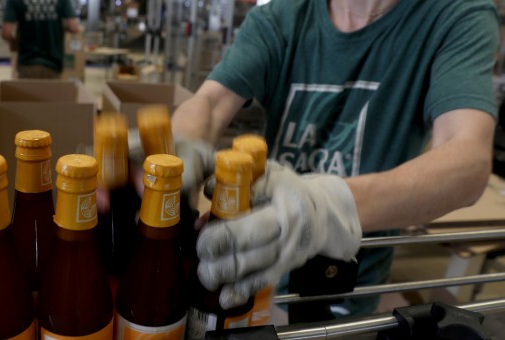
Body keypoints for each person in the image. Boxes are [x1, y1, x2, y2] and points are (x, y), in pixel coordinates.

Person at [168, 0, 499, 317]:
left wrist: (325, 207)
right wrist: (182, 149)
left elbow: (466, 160)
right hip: (257, 261)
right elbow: (210, 103)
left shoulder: (454, 15)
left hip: (348, 284)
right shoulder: (281, 18)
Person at [2, 0, 80, 78]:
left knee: (25, 90)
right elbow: (73, 27)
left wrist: (15, 43)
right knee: (52, 90)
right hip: (53, 65)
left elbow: (6, 32)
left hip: (27, 63)